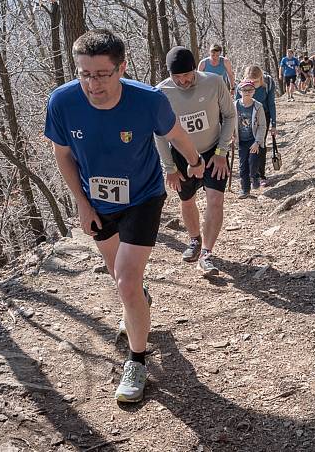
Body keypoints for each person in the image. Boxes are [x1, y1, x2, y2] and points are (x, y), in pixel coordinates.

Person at [45, 29, 204, 403]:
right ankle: (137, 302)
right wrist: (82, 204)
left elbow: (177, 135)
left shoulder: (147, 100)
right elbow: (62, 155)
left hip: (143, 198)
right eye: (84, 73)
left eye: (101, 74)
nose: (92, 83)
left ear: (122, 68)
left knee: (125, 281)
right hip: (98, 202)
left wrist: (195, 161)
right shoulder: (62, 102)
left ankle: (136, 361)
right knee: (122, 276)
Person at [155, 47, 235, 276]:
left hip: (213, 150)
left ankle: (207, 254)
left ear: (195, 70)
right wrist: (169, 167)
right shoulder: (161, 92)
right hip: (180, 154)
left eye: (186, 75)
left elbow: (230, 116)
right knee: (187, 200)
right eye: (176, 77)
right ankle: (194, 240)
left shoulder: (214, 82)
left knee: (215, 200)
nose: (182, 81)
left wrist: (221, 152)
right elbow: (159, 134)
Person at [237, 65, 277, 187]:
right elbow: (236, 105)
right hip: (245, 116)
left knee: (260, 143)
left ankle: (260, 175)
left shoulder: (268, 82)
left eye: (255, 82)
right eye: (250, 81)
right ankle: (249, 174)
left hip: (262, 115)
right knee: (246, 144)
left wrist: (274, 124)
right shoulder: (241, 87)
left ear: (261, 78)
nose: (252, 85)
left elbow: (271, 103)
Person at [233, 80, 267, 198]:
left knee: (252, 163)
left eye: (250, 90)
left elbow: (262, 126)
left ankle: (255, 176)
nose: (247, 92)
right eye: (244, 90)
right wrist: (231, 135)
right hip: (241, 141)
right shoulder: (235, 106)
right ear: (239, 91)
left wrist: (258, 142)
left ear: (254, 91)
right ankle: (245, 190)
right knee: (243, 166)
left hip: (253, 140)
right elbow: (230, 122)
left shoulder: (258, 106)